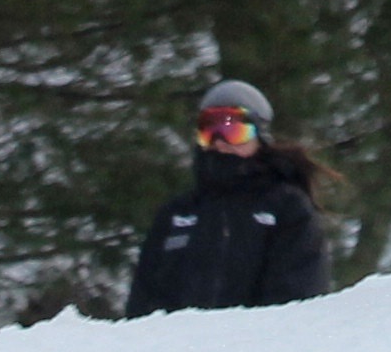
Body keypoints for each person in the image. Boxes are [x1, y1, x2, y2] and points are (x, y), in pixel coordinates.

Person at [122, 78, 330, 315]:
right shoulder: (177, 215)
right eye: (210, 130)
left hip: (253, 345)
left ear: (259, 138)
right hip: (180, 348)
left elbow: (298, 298)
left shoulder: (286, 209)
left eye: (233, 130)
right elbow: (143, 302)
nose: (220, 142)